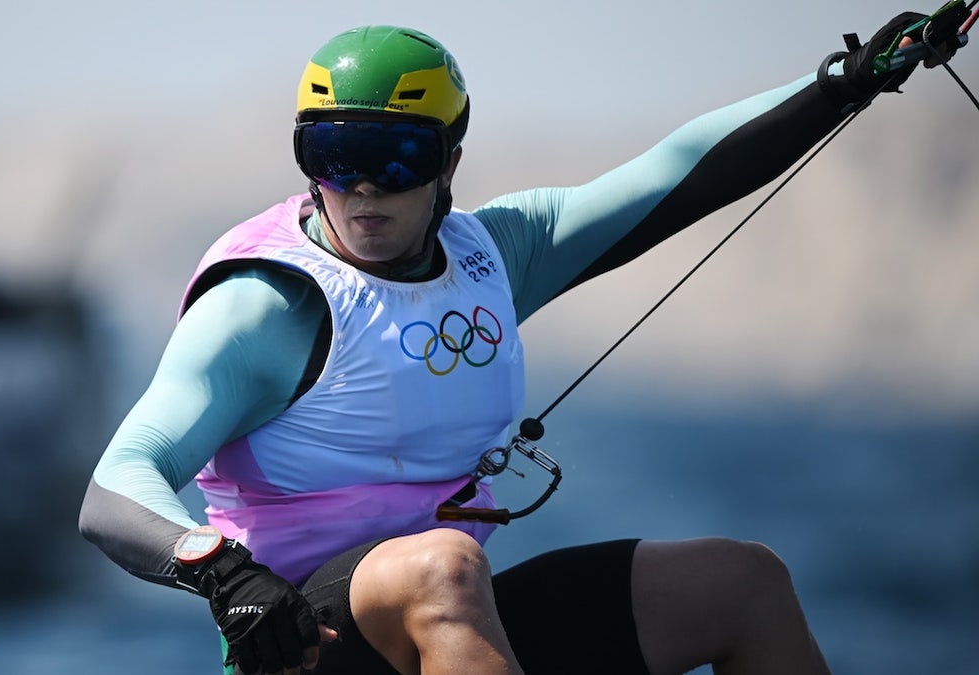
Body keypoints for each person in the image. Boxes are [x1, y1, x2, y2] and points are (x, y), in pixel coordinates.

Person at [79, 11, 959, 675]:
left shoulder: (499, 253)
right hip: (302, 640)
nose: (359, 189)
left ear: (450, 159)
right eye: (332, 152)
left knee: (744, 581)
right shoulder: (264, 306)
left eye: (394, 157)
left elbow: (675, 170)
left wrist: (845, 82)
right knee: (446, 564)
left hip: (449, 608)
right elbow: (116, 486)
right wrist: (223, 575)